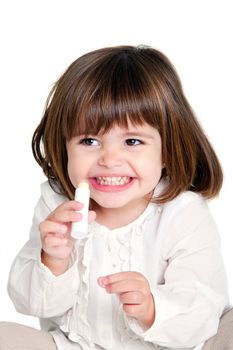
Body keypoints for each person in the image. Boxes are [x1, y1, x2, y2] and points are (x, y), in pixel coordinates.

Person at [1, 45, 232, 350]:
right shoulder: (58, 204)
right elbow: (32, 304)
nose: (109, 159)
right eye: (89, 140)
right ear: (65, 146)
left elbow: (202, 306)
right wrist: (52, 261)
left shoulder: (184, 212)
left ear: (166, 151)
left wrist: (153, 309)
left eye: (132, 141)